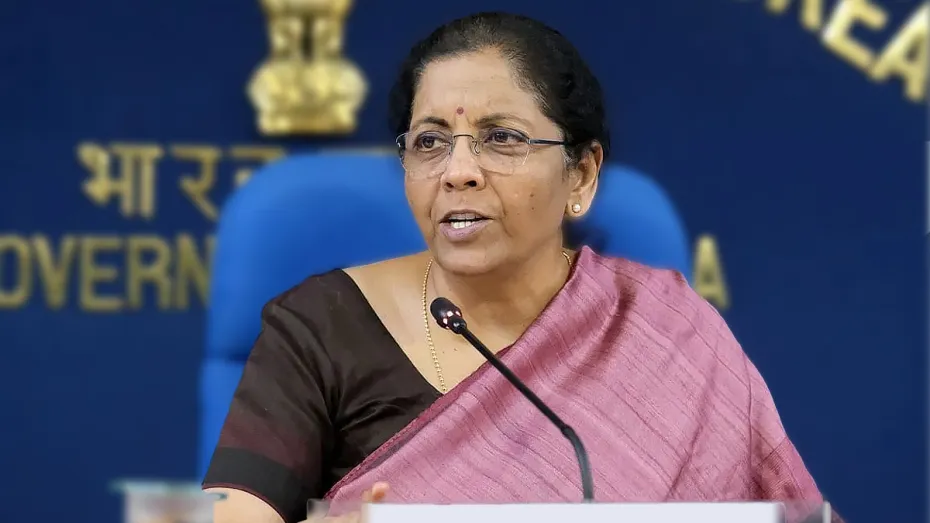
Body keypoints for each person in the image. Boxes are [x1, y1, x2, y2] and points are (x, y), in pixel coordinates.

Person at [203, 11, 835, 523]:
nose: (458, 171)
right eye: (429, 142)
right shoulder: (321, 327)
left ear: (580, 174)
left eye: (501, 138)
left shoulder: (667, 330)